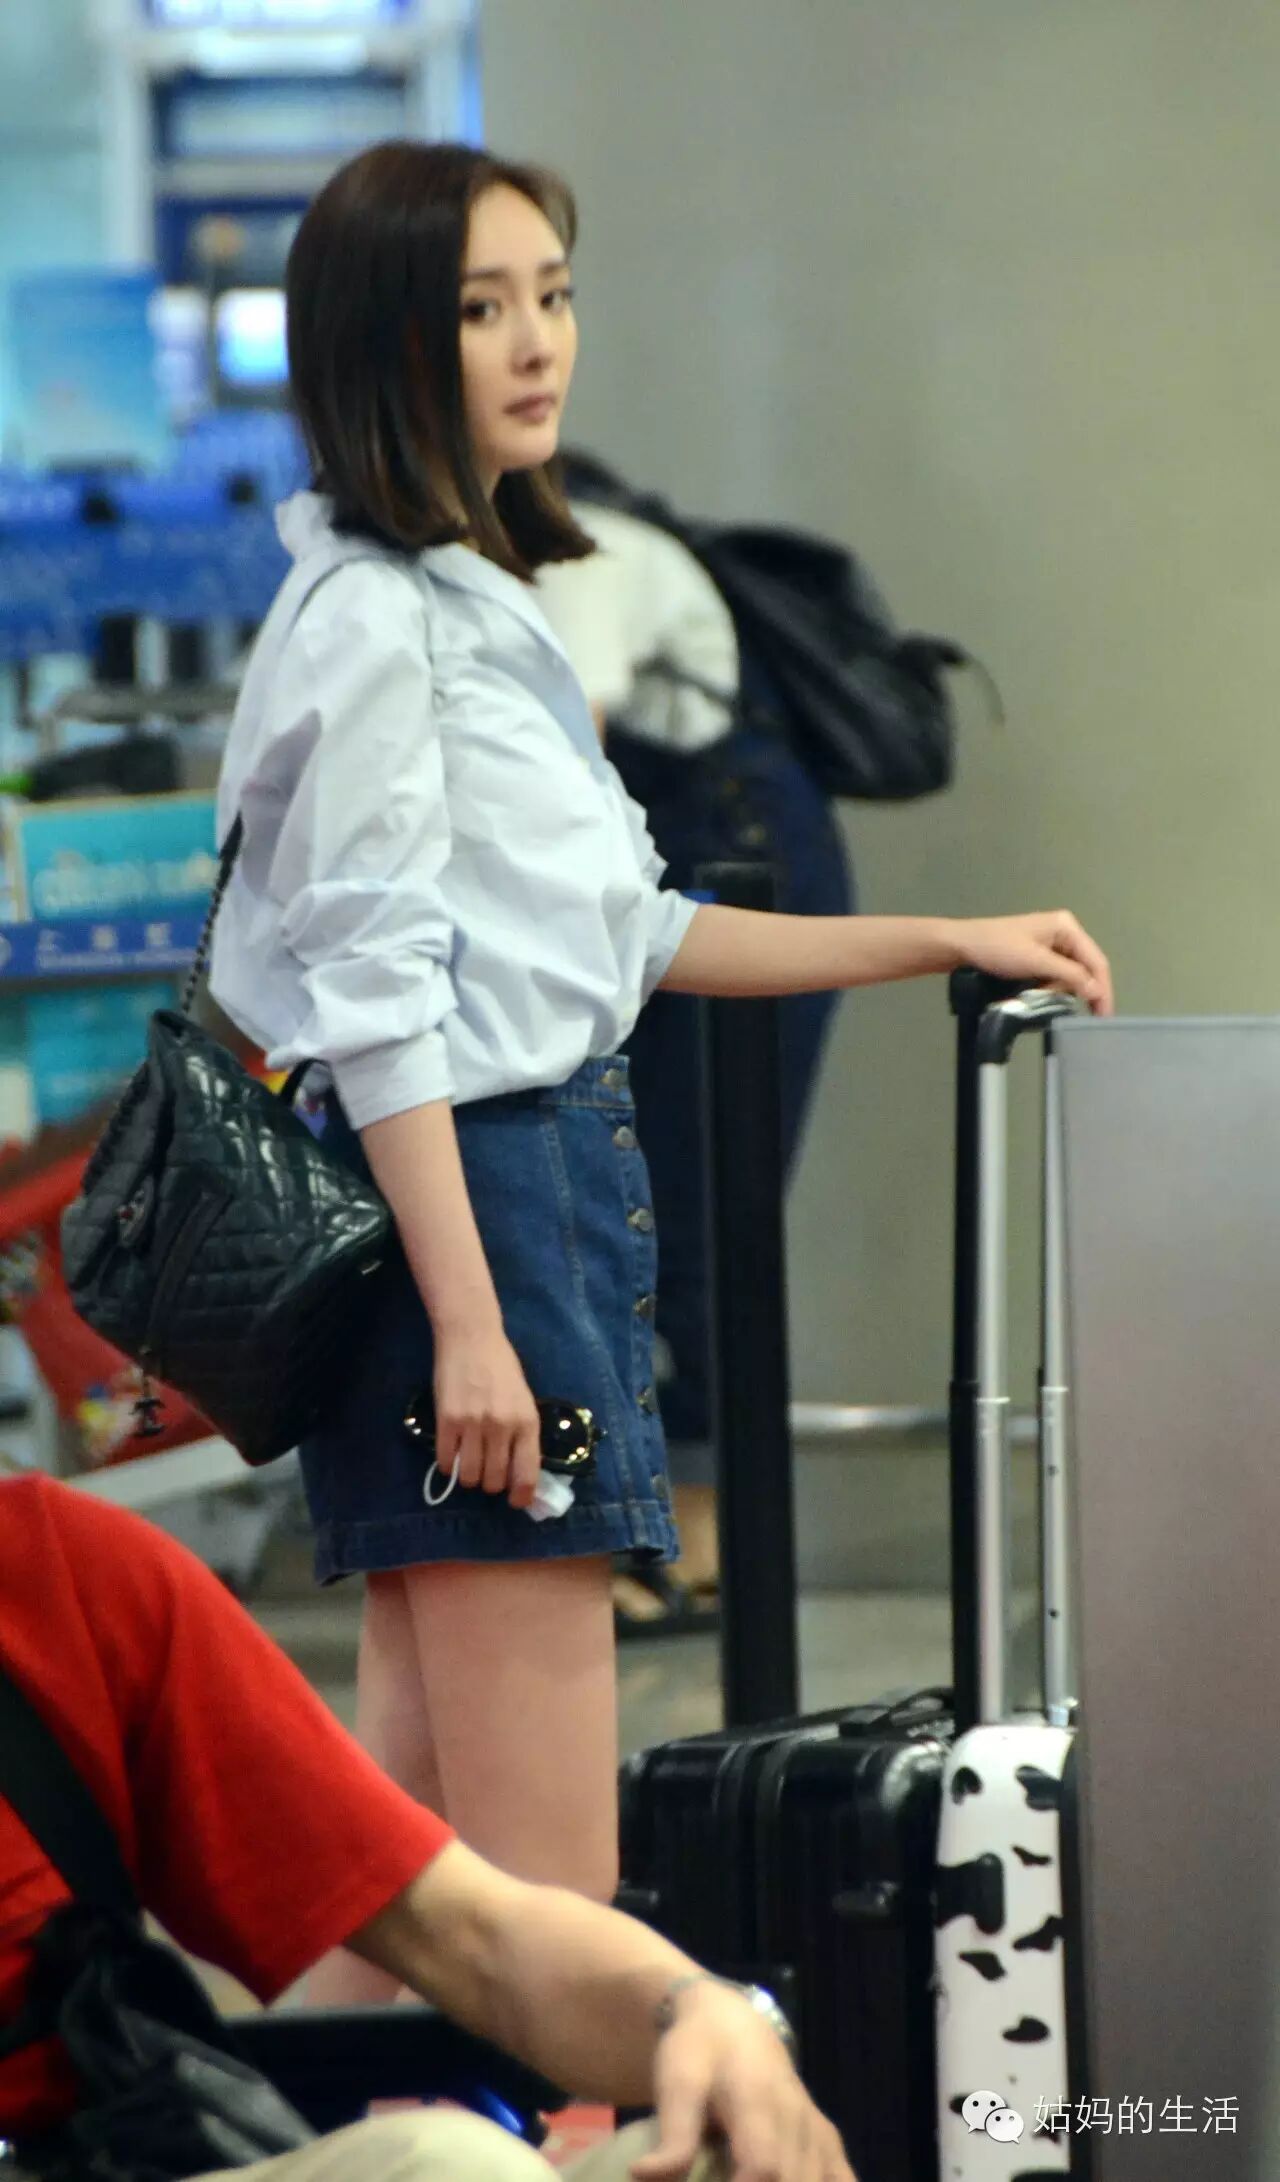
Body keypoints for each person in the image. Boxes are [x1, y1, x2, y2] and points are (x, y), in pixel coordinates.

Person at [206, 137, 1113, 1983]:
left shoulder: (454, 595)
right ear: (385, 339)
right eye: (481, 307)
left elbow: (630, 930)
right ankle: (568, 2127)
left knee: (411, 1879)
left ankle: (368, 2120)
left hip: (498, 1221)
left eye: (552, 294)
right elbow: (379, 1001)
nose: (540, 341)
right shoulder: (385, 621)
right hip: (488, 1232)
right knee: (556, 1902)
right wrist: (473, 1326)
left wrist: (941, 935)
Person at [0, 1471, 849, 2181]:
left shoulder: (55, 1572)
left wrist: (706, 2010)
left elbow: (472, 1929)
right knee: (451, 2163)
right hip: (479, 1441)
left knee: (735, 2159)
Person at [536, 483, 856, 1634]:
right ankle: (666, 1526)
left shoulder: (579, 552)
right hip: (670, 885)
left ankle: (709, 1541)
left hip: (737, 873)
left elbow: (571, 751)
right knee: (642, 1209)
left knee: (701, 1208)